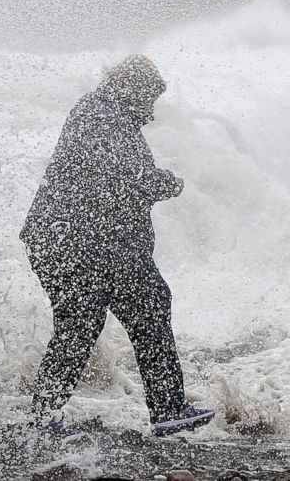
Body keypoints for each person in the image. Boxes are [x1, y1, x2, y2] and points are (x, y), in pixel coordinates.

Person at [20, 55, 214, 437]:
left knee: (99, 317)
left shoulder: (102, 112)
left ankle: (47, 415)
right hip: (81, 240)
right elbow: (130, 175)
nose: (151, 109)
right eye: (149, 99)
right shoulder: (103, 116)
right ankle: (166, 409)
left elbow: (117, 177)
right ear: (134, 90)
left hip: (83, 239)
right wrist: (167, 183)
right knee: (120, 313)